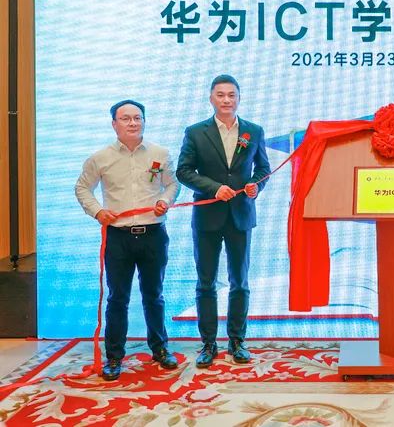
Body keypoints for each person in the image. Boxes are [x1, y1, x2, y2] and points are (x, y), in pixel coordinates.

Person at [75, 100, 179, 381]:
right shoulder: (100, 158)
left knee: (154, 295)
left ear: (144, 121)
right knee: (117, 298)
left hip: (153, 235)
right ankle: (114, 356)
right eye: (126, 118)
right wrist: (98, 211)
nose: (132, 123)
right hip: (118, 237)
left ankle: (160, 348)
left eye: (137, 117)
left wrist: (165, 200)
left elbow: (172, 184)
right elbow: (82, 188)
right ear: (114, 124)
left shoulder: (160, 153)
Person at [177, 75, 270, 368]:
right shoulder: (196, 132)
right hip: (207, 216)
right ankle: (208, 344)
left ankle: (237, 341)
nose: (226, 100)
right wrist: (214, 188)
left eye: (232, 95)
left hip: (241, 215)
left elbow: (263, 168)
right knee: (206, 282)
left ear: (239, 98)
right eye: (221, 95)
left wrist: (256, 185)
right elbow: (184, 171)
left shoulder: (254, 131)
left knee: (239, 282)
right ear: (211, 98)